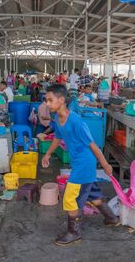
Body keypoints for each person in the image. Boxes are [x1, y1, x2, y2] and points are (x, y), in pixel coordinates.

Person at [42, 84, 119, 246]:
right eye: (46, 100)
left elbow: (93, 145)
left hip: (84, 164)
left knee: (71, 198)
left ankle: (73, 233)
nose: (47, 104)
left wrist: (105, 164)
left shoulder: (76, 121)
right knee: (93, 194)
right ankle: (111, 218)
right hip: (78, 163)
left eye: (50, 100)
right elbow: (58, 136)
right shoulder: (57, 118)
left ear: (61, 100)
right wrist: (47, 154)